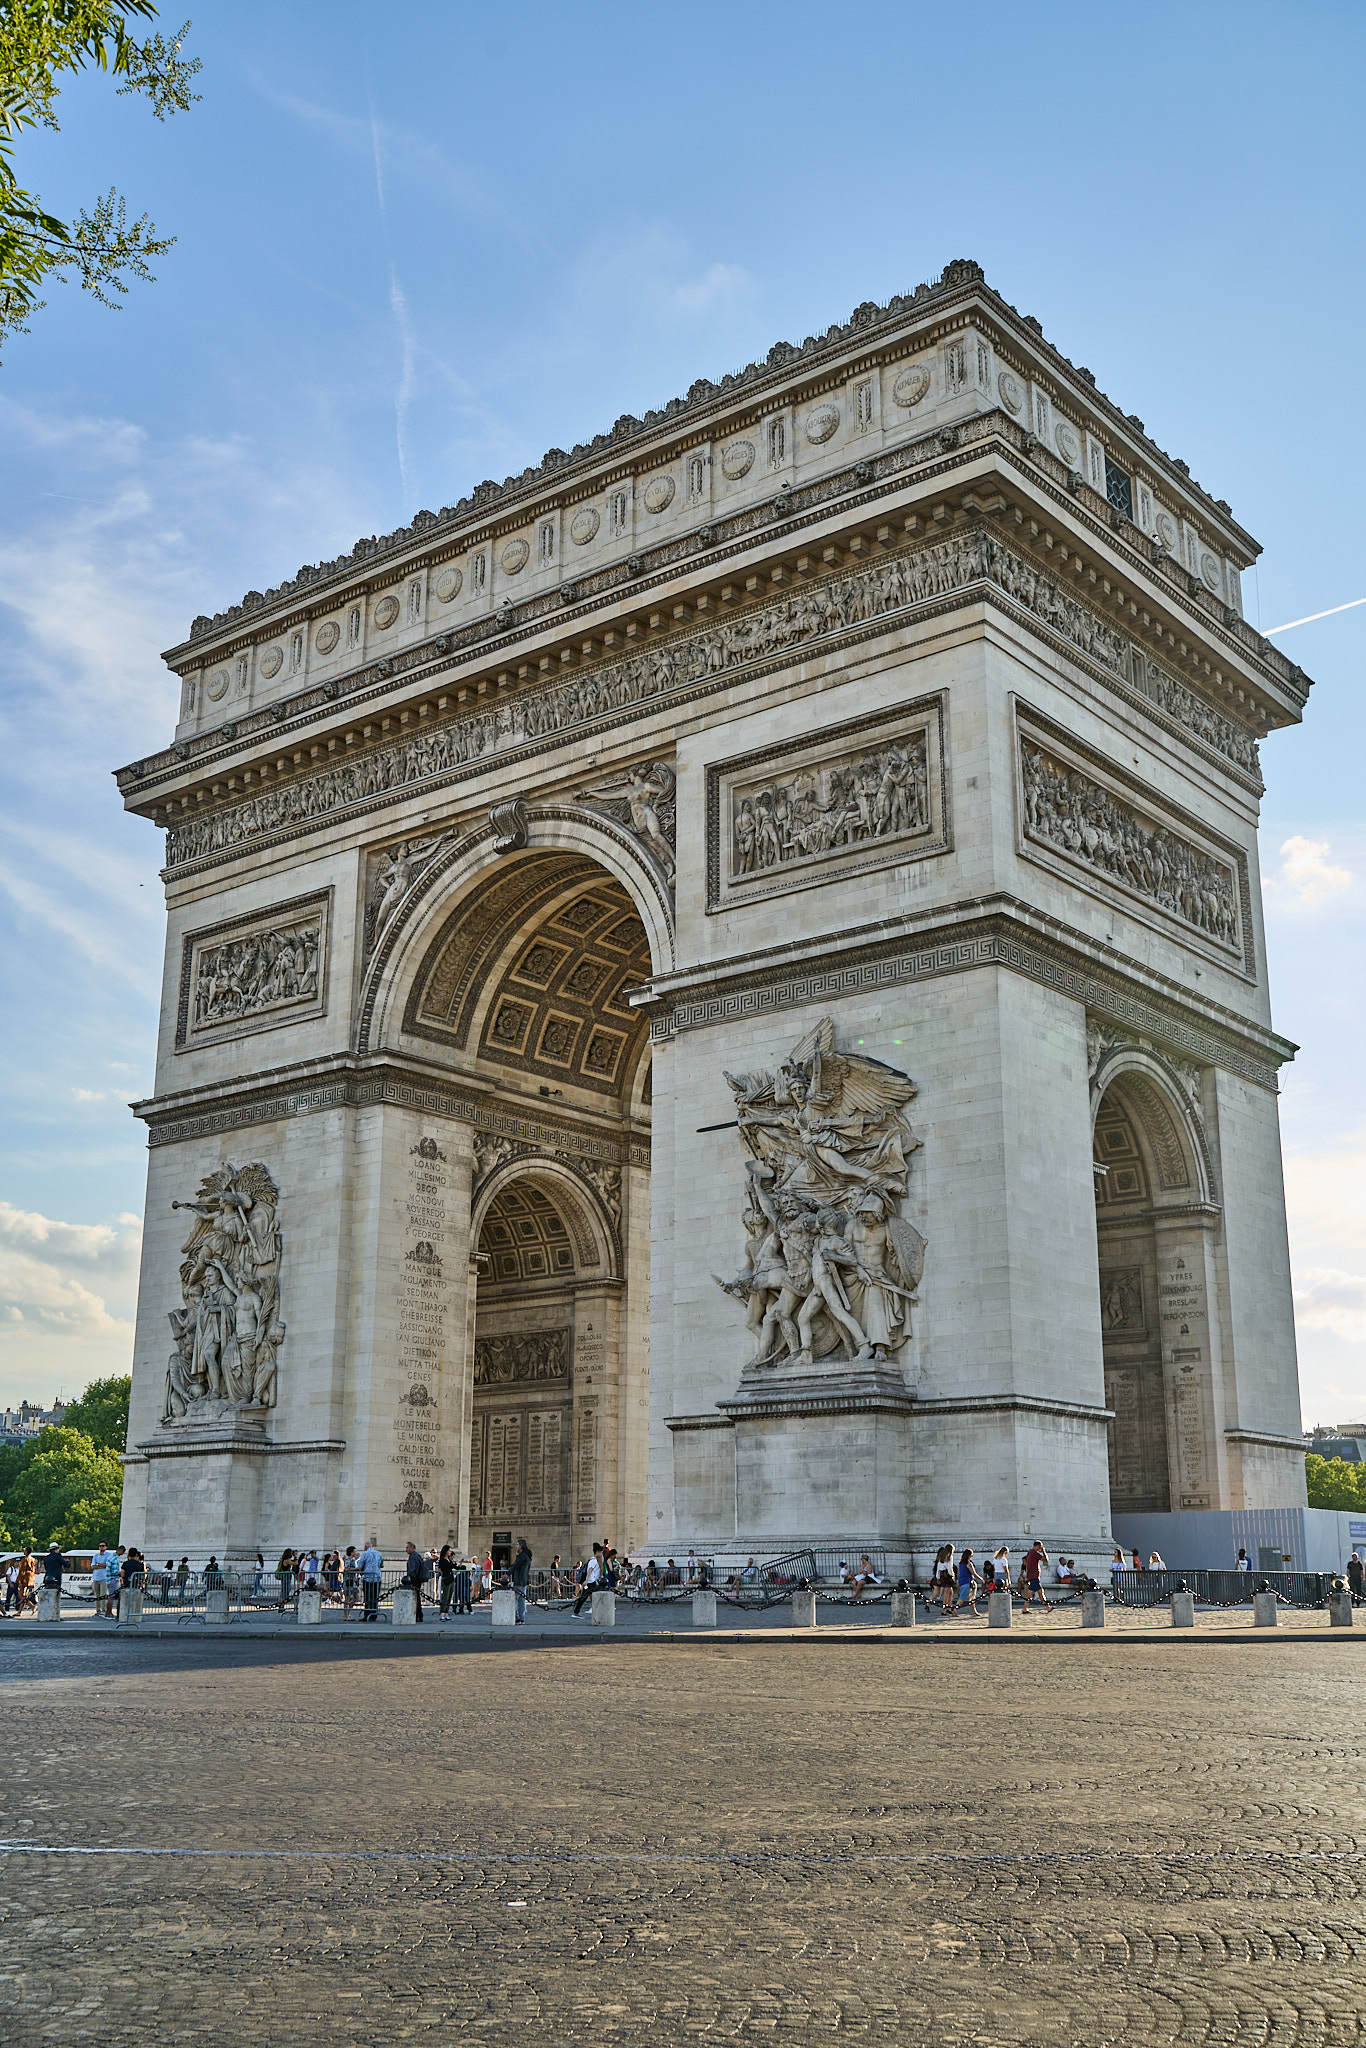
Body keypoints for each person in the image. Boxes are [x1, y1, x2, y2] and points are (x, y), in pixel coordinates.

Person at [1020, 1540, 1050, 1613]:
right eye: (1040, 1547)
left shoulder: (1030, 1553)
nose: (1041, 1548)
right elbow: (1046, 1560)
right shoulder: (1034, 1553)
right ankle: (1048, 1607)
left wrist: (1027, 1576)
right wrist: (1044, 1551)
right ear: (1038, 1546)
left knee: (1037, 1593)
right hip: (1034, 1576)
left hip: (1032, 1575)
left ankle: (1047, 1607)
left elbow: (1027, 1565)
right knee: (1038, 1593)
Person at [573, 1544, 603, 1616]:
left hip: (590, 1581)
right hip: (590, 1582)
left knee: (586, 1597)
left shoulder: (592, 1560)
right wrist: (586, 1581)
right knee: (585, 1597)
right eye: (600, 1552)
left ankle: (592, 1609)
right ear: (597, 1552)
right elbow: (589, 1571)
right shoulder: (594, 1561)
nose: (601, 1554)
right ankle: (576, 1612)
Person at [403, 1539, 428, 1621]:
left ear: (411, 1548)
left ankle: (417, 1614)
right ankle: (419, 1614)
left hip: (414, 1579)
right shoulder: (418, 1555)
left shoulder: (413, 1557)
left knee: (415, 1598)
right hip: (418, 1579)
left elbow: (412, 1569)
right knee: (417, 1598)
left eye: (407, 1548)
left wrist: (411, 1580)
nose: (406, 1549)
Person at [359, 1537, 383, 1621]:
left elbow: (360, 1566)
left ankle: (367, 1615)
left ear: (366, 1547)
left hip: (368, 1578)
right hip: (377, 1578)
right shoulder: (379, 1553)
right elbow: (381, 1565)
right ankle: (374, 1615)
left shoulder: (365, 1554)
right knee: (375, 1597)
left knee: (367, 1597)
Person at [511, 1537, 533, 1624]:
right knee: (522, 1600)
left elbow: (516, 1566)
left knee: (516, 1600)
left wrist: (508, 1574)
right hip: (524, 1580)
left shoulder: (522, 1556)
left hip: (519, 1580)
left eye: (517, 1545)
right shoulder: (526, 1556)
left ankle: (518, 1617)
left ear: (521, 1546)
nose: (516, 1546)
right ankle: (522, 1617)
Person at [956, 1546, 980, 1616]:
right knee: (962, 1598)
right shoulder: (969, 1563)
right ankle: (955, 1610)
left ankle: (974, 1611)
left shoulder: (961, 1563)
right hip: (967, 1581)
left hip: (962, 1581)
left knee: (972, 1597)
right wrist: (981, 1579)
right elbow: (973, 1573)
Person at [437, 1543, 456, 1620]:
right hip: (446, 1579)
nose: (450, 1552)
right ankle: (442, 1614)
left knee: (449, 1597)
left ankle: (446, 1613)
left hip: (451, 1578)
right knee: (445, 1596)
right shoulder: (443, 1560)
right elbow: (447, 1567)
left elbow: (453, 1566)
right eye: (449, 1551)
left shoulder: (449, 1560)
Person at [16, 1548, 37, 1615]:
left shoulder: (24, 1560)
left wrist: (19, 1582)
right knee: (25, 1596)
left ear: (26, 1551)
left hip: (24, 1579)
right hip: (30, 1578)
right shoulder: (33, 1559)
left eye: (24, 1550)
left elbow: (22, 1571)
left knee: (21, 1596)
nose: (23, 1551)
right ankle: (19, 1612)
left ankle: (32, 1606)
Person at [342, 1545, 359, 1621]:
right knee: (347, 1598)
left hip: (352, 1580)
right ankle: (346, 1615)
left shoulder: (352, 1560)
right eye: (355, 1551)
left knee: (356, 1597)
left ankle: (348, 1613)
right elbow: (346, 1569)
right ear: (351, 1552)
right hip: (348, 1581)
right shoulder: (348, 1560)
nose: (356, 1552)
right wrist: (356, 1569)